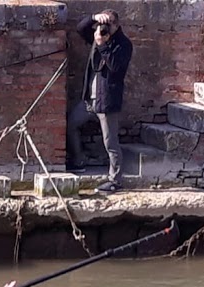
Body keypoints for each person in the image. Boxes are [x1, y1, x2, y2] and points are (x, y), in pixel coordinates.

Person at [67, 10, 133, 194]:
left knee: (110, 142)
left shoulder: (123, 44)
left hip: (107, 101)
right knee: (71, 124)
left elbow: (116, 67)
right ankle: (78, 160)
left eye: (109, 24)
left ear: (117, 25)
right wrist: (94, 18)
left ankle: (115, 181)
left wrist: (102, 45)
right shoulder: (98, 34)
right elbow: (80, 29)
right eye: (104, 23)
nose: (105, 27)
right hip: (90, 99)